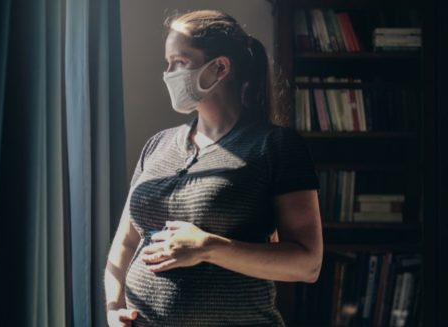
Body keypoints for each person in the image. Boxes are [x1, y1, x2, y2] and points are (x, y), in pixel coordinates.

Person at [105, 9, 323, 327]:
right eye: (168, 63)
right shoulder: (157, 145)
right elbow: (126, 242)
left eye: (179, 62)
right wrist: (113, 308)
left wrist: (208, 247)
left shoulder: (275, 146)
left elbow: (307, 264)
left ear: (219, 67)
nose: (168, 73)